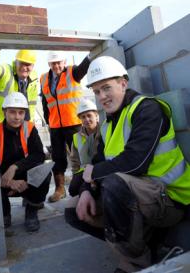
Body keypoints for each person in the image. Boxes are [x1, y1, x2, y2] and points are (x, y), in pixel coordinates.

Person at [65, 55, 190, 273]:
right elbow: (95, 163)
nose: (102, 97)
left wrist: (94, 175)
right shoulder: (107, 124)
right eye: (96, 92)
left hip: (171, 197)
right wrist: (85, 189)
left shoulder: (147, 109)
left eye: (106, 88)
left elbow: (135, 162)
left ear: (123, 83)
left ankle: (134, 264)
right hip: (139, 194)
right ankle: (142, 244)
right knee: (73, 206)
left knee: (113, 183)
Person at [40, 50, 90, 202]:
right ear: (49, 64)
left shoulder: (72, 72)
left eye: (59, 62)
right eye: (53, 63)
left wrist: (90, 56)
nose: (56, 65)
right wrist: (48, 122)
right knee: (57, 158)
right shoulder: (43, 78)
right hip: (55, 126)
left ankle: (84, 187)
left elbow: (83, 67)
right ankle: (60, 189)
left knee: (80, 156)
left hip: (74, 123)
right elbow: (45, 102)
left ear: (64, 61)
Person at [0, 92, 51, 232]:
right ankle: (4, 213)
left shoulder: (30, 128)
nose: (17, 117)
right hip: (1, 180)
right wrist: (9, 182)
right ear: (4, 112)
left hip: (24, 179)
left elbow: (39, 155)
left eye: (21, 112)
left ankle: (31, 210)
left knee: (44, 173)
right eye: (12, 112)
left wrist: (15, 167)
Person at [0, 49, 38, 123]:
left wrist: (31, 124)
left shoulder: (33, 80)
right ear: (15, 62)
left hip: (24, 126)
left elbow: (31, 106)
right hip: (3, 125)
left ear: (33, 66)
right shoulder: (7, 71)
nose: (24, 68)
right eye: (21, 63)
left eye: (27, 64)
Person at [69, 98, 100, 197]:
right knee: (73, 190)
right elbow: (74, 160)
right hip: (84, 171)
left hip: (100, 168)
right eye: (83, 117)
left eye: (89, 115)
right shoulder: (76, 137)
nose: (86, 119)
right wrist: (75, 175)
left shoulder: (105, 130)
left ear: (96, 115)